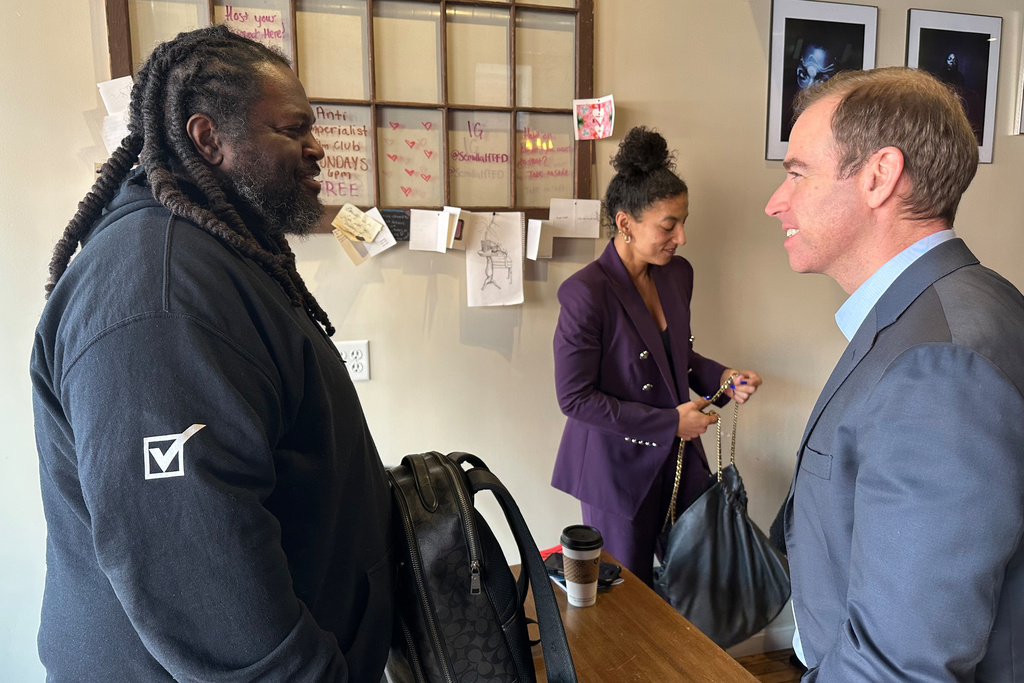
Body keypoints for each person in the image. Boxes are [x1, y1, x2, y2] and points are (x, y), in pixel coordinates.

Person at [31, 26, 392, 681]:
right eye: (293, 128)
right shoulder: (157, 291)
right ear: (208, 139)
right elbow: (193, 564)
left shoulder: (216, 258)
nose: (317, 149)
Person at [765, 67, 1024, 681]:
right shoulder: (950, 307)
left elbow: (899, 667)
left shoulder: (942, 365)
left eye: (797, 172)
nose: (776, 200)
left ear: (879, 176)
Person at [551, 126, 761, 586]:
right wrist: (669, 423)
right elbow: (575, 399)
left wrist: (723, 377)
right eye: (668, 224)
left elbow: (674, 361)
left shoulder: (676, 274)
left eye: (684, 221)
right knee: (628, 595)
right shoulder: (586, 293)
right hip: (616, 466)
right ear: (625, 223)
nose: (681, 236)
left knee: (697, 578)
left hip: (679, 457)